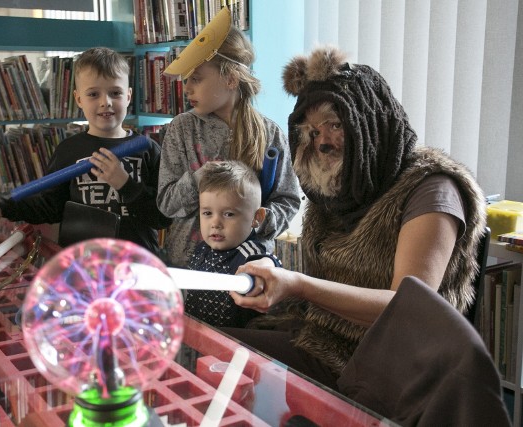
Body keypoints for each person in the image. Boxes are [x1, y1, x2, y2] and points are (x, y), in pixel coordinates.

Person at [225, 45, 487, 391]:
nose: (322, 143)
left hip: (395, 369)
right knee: (219, 352)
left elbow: (406, 307)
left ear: (369, 122)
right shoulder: (336, 189)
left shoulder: (432, 190)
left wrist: (298, 286)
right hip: (320, 342)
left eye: (334, 124)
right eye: (313, 132)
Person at [0, 47, 171, 254]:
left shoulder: (148, 149)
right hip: (81, 264)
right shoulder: (68, 150)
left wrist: (125, 184)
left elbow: (162, 217)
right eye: (93, 94)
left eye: (115, 93)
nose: (106, 102)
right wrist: (5, 207)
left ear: (129, 96)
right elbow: (49, 207)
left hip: (136, 265)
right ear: (79, 99)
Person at [157, 8, 301, 268]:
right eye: (187, 79)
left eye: (197, 79)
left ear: (231, 79)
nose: (187, 87)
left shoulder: (270, 133)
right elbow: (167, 204)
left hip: (247, 268)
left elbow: (287, 199)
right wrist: (198, 178)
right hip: (188, 267)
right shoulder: (182, 128)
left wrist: (260, 219)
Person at [185, 160, 280, 328]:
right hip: (198, 337)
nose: (215, 223)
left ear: (256, 218)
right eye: (207, 213)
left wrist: (270, 263)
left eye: (228, 214)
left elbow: (272, 267)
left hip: (236, 346)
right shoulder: (201, 250)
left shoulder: (249, 254)